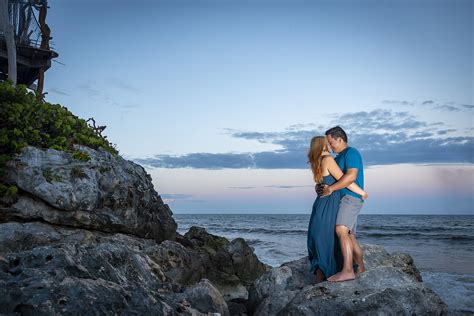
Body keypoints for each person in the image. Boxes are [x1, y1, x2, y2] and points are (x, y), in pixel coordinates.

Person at [307, 135, 368, 283]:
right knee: (335, 235)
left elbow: (322, 184)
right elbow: (345, 180)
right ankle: (349, 269)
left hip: (322, 204)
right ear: (322, 145)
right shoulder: (328, 160)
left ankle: (323, 274)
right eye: (327, 142)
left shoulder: (318, 162)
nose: (330, 144)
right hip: (329, 203)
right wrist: (362, 192)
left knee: (328, 236)